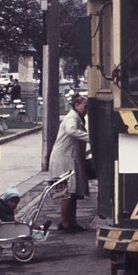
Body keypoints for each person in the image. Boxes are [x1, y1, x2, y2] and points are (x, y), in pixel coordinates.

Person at [48, 94, 90, 232]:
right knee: (68, 192)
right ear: (77, 105)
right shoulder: (72, 117)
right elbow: (71, 131)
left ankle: (72, 221)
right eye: (85, 106)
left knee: (74, 192)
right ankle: (65, 222)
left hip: (71, 158)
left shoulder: (77, 117)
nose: (86, 110)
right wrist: (91, 138)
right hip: (64, 159)